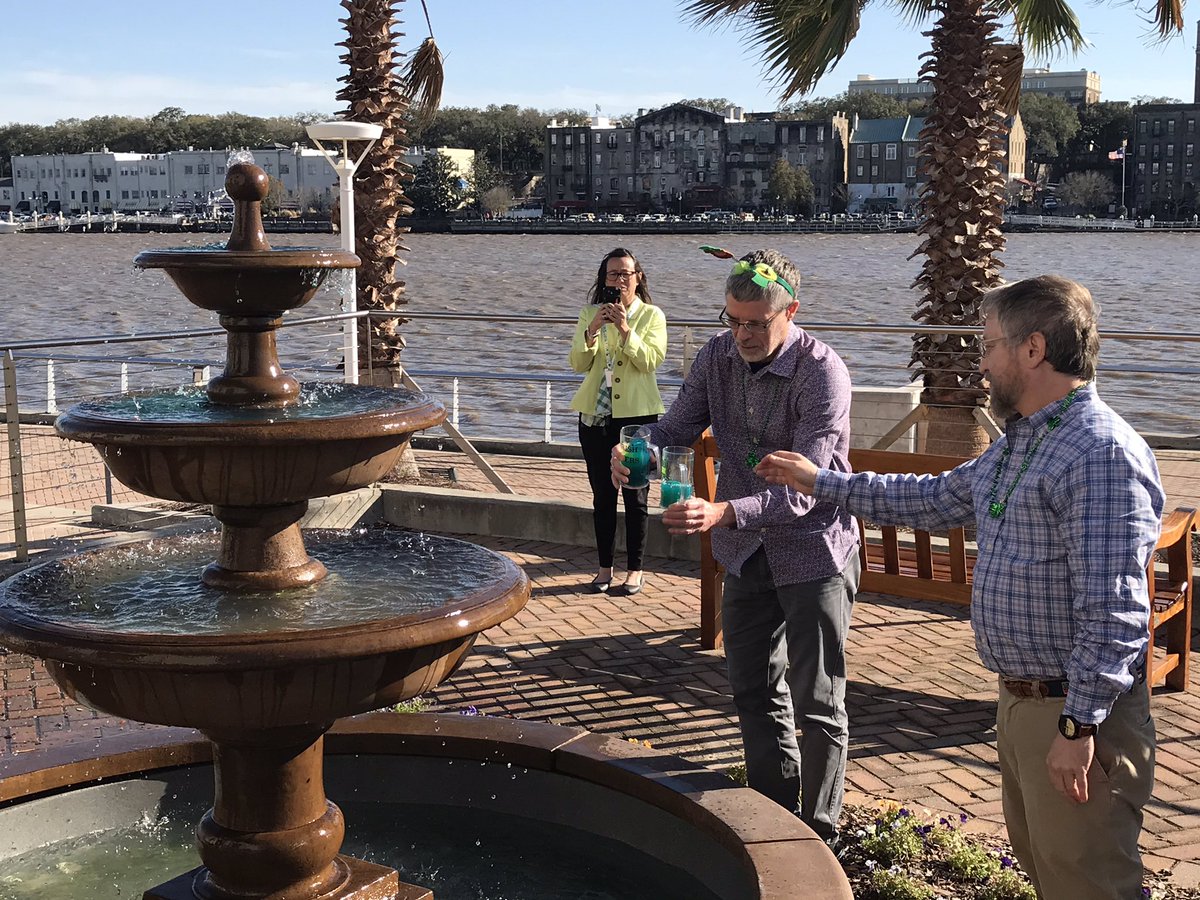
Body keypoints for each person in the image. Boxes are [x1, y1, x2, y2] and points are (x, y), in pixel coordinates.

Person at [756, 274, 1163, 900]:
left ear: (1033, 349)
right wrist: (822, 482)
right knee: (1051, 873)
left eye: (989, 345)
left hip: (1074, 716)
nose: (981, 363)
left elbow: (1115, 612)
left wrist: (1078, 729)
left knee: (1089, 883)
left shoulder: (1100, 453)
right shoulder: (1026, 441)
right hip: (1025, 704)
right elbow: (932, 498)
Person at [610, 248, 860, 845]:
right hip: (746, 553)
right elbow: (676, 427)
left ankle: (818, 836)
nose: (741, 335)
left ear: (791, 312)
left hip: (814, 551)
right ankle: (776, 820)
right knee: (752, 689)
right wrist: (636, 449)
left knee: (818, 702)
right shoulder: (717, 355)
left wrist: (723, 511)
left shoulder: (822, 373)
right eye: (733, 319)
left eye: (756, 323)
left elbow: (804, 489)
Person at [569, 248, 667, 595]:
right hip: (595, 418)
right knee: (603, 496)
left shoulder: (652, 315)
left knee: (636, 495)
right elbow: (578, 364)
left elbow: (651, 361)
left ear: (638, 278)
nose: (620, 280)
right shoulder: (589, 314)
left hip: (637, 417)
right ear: (604, 280)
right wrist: (593, 330)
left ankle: (635, 570)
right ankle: (604, 569)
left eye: (626, 274)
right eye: (613, 274)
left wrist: (625, 329)